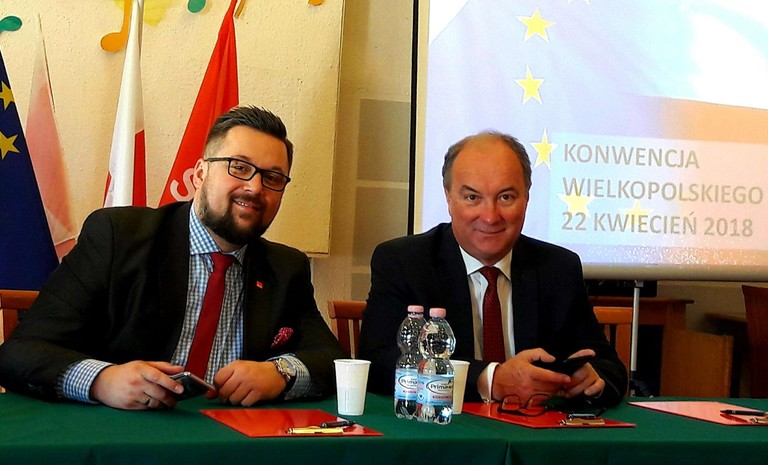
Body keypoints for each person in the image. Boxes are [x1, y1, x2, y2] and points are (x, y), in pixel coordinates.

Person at [0, 106, 345, 410]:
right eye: (239, 167)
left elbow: (332, 360)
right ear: (200, 174)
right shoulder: (118, 237)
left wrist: (280, 373)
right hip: (120, 435)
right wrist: (102, 381)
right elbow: (21, 351)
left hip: (230, 441)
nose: (255, 188)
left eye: (272, 178)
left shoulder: (286, 267)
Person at [359, 131, 628, 407]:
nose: (490, 217)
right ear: (449, 198)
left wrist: (591, 380)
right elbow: (378, 363)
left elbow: (609, 368)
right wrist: (490, 379)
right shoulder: (404, 262)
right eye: (472, 197)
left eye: (506, 197)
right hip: (448, 425)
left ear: (527, 198)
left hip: (536, 427)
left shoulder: (558, 268)